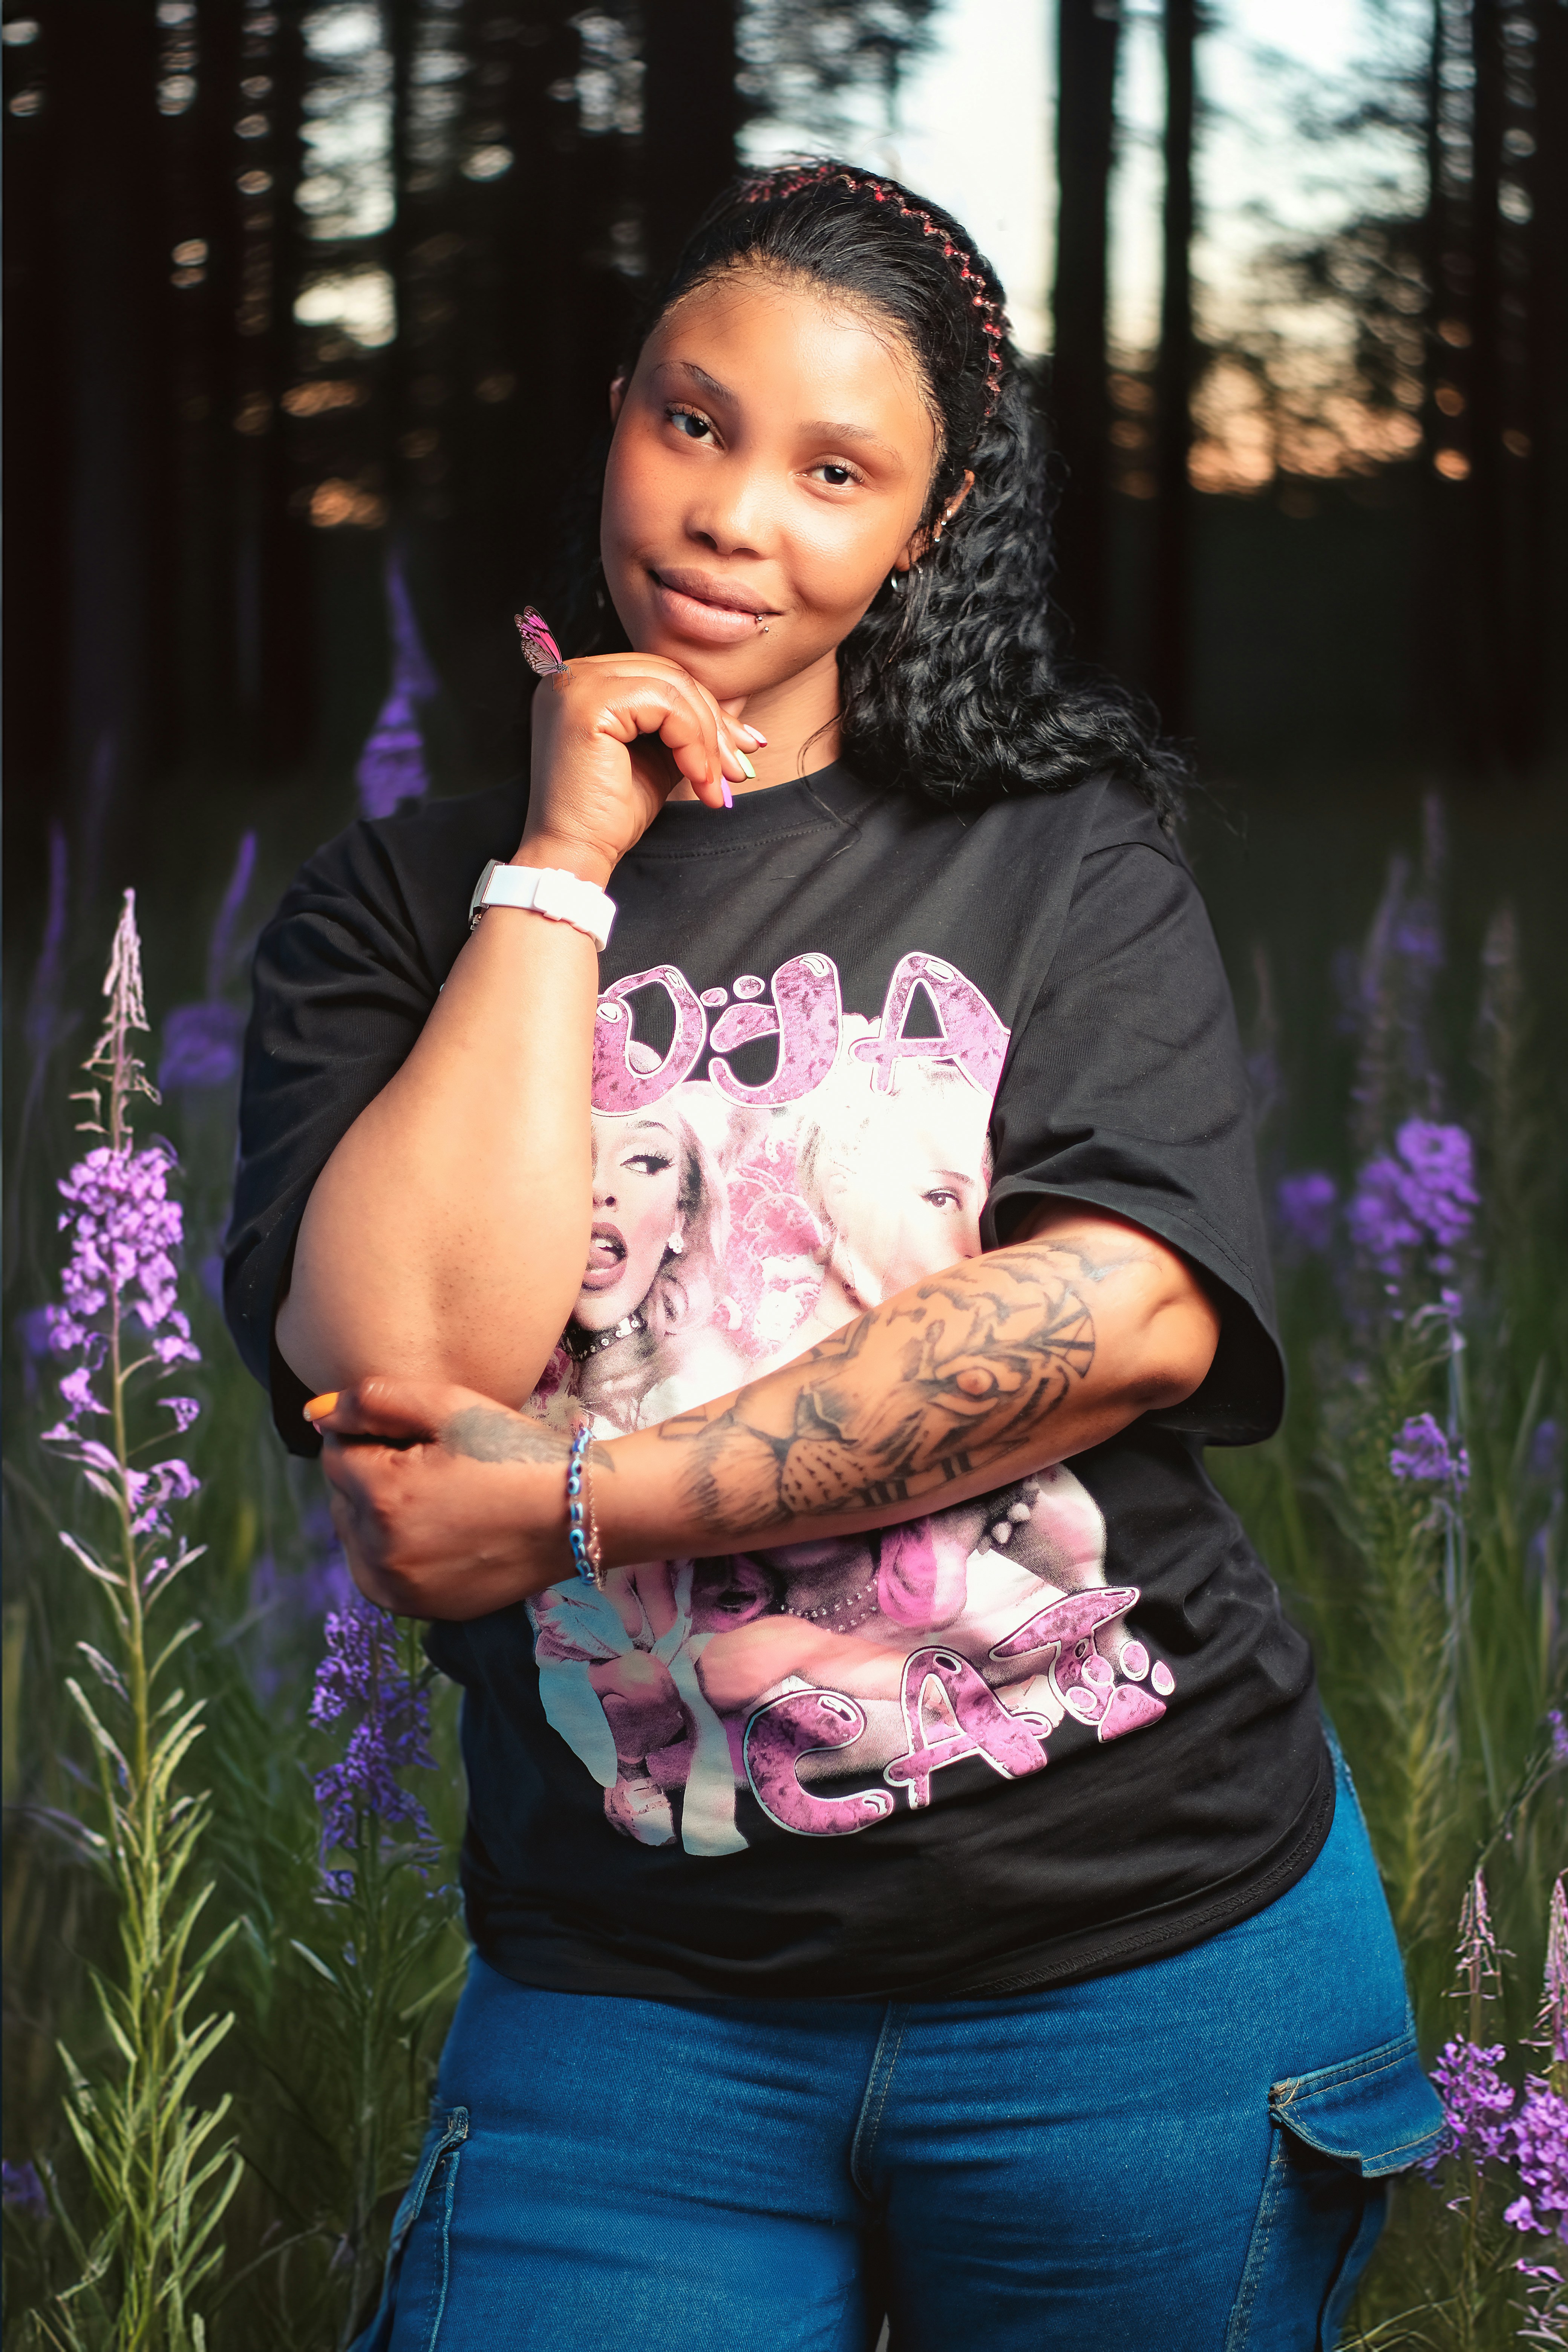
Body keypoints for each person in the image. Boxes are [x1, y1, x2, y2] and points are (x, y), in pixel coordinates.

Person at [227, 162, 1443, 2351]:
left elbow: (1122, 1314)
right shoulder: (395, 912)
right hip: (632, 2008)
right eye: (690, 422)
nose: (729, 515)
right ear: (617, 411)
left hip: (1143, 1963)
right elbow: (412, 1352)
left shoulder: (1061, 861)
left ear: (929, 521)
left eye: (832, 470)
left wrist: (580, 1501)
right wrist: (563, 863)